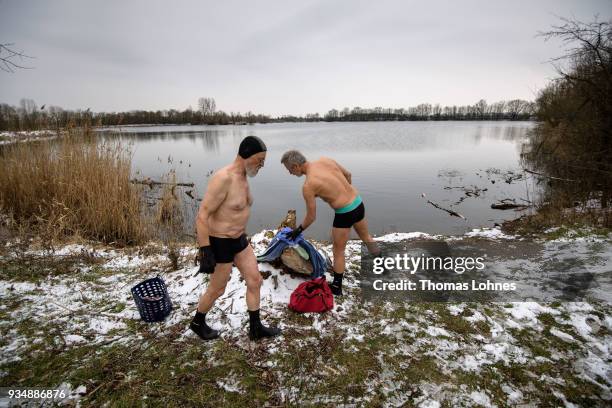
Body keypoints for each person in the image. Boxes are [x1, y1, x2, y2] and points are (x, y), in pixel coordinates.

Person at [191, 136, 281, 341]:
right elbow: (202, 214)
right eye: (259, 160)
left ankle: (256, 328)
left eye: (264, 161)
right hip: (220, 242)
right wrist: (205, 250)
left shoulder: (244, 177)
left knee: (255, 280)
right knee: (217, 289)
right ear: (246, 155)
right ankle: (197, 322)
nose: (262, 165)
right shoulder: (224, 178)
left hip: (239, 240)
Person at [281, 150, 380, 296]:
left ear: (296, 166)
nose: (290, 173)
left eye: (289, 170)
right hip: (358, 203)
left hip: (344, 213)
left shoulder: (308, 185)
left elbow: (311, 217)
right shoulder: (325, 160)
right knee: (366, 238)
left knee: (338, 251)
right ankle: (383, 268)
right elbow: (348, 175)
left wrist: (299, 230)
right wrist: (345, 194)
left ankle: (337, 286)